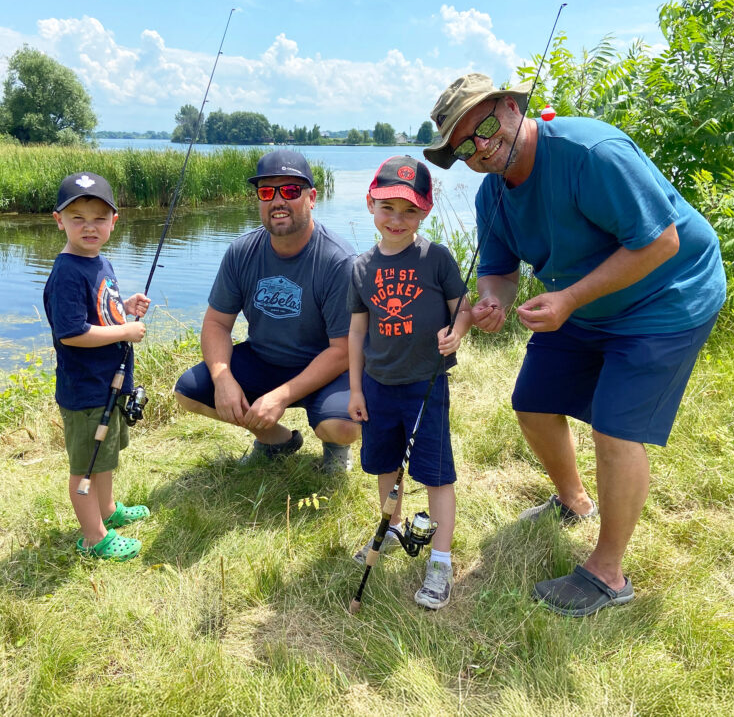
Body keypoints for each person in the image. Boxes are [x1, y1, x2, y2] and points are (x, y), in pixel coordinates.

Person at [423, 73, 726, 616]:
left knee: (616, 428)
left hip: (667, 294)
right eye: (466, 145)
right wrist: (491, 301)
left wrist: (568, 300)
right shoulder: (493, 194)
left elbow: (662, 241)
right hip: (585, 302)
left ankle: (608, 574)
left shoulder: (590, 153)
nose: (483, 146)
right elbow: (497, 271)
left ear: (513, 106)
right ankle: (574, 502)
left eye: (487, 126)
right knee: (533, 404)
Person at [174, 150, 360, 473]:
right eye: (266, 192)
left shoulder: (338, 260)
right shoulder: (241, 252)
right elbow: (217, 324)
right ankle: (276, 441)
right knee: (189, 391)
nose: (278, 201)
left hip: (323, 367)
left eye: (290, 191)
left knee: (344, 425)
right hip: (264, 359)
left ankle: (334, 449)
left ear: (312, 198)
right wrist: (223, 378)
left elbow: (342, 351)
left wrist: (282, 396)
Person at [347, 156, 472, 610]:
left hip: (426, 384)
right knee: (385, 464)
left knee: (436, 474)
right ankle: (392, 528)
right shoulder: (360, 267)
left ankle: (440, 560)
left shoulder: (436, 258)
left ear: (425, 213)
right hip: (378, 385)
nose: (397, 220)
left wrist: (457, 332)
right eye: (388, 209)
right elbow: (357, 332)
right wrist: (356, 389)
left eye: (410, 211)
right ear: (370, 206)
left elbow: (464, 307)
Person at [43, 172, 152, 561]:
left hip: (109, 384)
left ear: (113, 222)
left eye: (98, 218)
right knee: (85, 466)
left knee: (104, 456)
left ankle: (108, 511)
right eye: (77, 218)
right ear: (59, 220)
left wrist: (124, 310)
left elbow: (99, 314)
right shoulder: (68, 272)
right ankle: (93, 537)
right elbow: (72, 333)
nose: (89, 227)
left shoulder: (98, 261)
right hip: (85, 389)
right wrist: (125, 329)